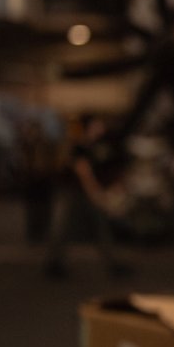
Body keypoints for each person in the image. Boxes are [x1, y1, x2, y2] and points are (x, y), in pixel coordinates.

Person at [43, 114, 130, 279]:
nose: (101, 128)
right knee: (61, 227)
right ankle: (54, 263)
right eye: (97, 125)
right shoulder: (79, 147)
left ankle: (113, 263)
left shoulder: (100, 146)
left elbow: (108, 169)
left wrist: (111, 189)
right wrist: (98, 195)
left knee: (100, 227)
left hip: (86, 193)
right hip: (70, 192)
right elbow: (85, 174)